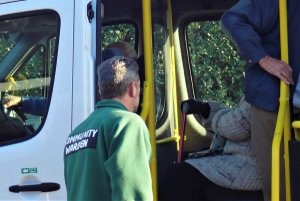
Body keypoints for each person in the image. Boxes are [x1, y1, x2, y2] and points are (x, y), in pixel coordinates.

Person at [220, 1, 300, 200]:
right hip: (278, 104)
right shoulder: (280, 3)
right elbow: (233, 19)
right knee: (281, 187)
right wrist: (263, 58)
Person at [64, 56, 153, 201]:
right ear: (133, 88)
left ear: (101, 90)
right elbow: (130, 193)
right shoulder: (127, 123)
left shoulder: (75, 134)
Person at [162, 97, 263, 201]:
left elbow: (239, 126)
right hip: (247, 159)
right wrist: (207, 110)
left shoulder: (261, 86)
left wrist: (214, 115)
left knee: (177, 174)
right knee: (188, 156)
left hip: (249, 167)